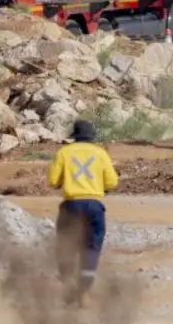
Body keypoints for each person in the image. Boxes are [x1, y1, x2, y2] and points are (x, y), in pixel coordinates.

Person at [47, 119, 119, 306]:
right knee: (91, 247)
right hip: (95, 206)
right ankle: (84, 291)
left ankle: (68, 279)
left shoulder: (63, 153)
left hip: (71, 205)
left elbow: (53, 181)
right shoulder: (101, 153)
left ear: (75, 137)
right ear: (92, 136)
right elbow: (112, 183)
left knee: (65, 244)